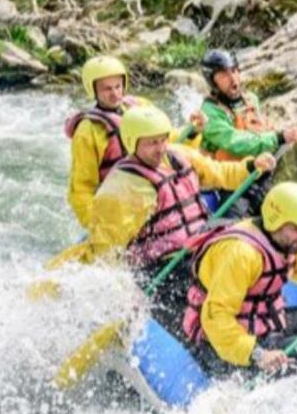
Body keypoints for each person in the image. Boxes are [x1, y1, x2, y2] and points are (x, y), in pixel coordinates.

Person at [80, 104, 274, 314]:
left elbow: (220, 173)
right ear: (131, 143)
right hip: (164, 265)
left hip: (200, 240)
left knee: (252, 234)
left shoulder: (178, 155)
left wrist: (252, 167)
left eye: (163, 139)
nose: (161, 147)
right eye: (152, 143)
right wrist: (121, 295)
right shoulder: (122, 189)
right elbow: (107, 249)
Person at [180, 183, 297, 377]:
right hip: (226, 345)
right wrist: (258, 354)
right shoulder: (242, 254)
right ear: (276, 221)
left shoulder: (286, 245)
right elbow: (216, 319)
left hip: (265, 325)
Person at [65, 55, 201, 230]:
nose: (115, 93)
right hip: (121, 203)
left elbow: (168, 140)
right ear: (93, 90)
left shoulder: (140, 106)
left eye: (118, 86)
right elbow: (81, 189)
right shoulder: (87, 132)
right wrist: (97, 226)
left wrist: (192, 132)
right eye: (107, 89)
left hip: (153, 189)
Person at [198, 49, 297, 161]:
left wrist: (286, 134)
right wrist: (278, 138)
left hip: (255, 166)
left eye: (234, 71)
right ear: (212, 81)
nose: (233, 79)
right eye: (224, 74)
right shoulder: (209, 112)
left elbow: (262, 132)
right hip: (225, 174)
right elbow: (235, 143)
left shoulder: (250, 99)